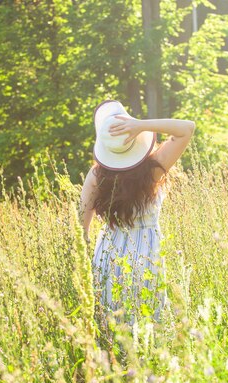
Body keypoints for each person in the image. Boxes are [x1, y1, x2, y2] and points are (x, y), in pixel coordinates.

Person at [79, 99, 195, 327]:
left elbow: (80, 227)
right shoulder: (153, 168)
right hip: (145, 252)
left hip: (107, 253)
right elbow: (186, 128)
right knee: (147, 322)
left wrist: (83, 266)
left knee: (112, 325)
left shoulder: (96, 175)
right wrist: (142, 125)